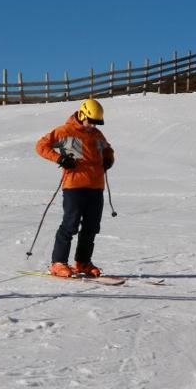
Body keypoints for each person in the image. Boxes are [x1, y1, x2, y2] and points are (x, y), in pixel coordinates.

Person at [35, 98, 115, 278]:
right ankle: (58, 263)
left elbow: (108, 149)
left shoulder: (97, 135)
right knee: (70, 225)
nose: (92, 126)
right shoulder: (64, 131)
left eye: (96, 123)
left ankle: (83, 262)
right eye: (90, 121)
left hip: (96, 186)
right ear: (82, 114)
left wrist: (109, 159)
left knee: (91, 227)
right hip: (74, 186)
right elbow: (41, 146)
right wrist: (59, 159)